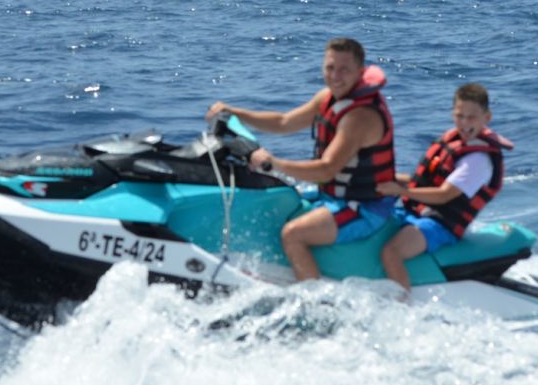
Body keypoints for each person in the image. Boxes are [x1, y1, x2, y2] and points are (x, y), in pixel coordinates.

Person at [205, 37, 396, 281]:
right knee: (277, 198)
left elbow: (326, 170)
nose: (335, 76)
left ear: (360, 72)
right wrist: (234, 113)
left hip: (364, 207)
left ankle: (312, 300)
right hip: (334, 195)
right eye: (330, 67)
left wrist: (274, 162)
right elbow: (284, 122)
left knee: (293, 234)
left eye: (344, 70)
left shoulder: (360, 117)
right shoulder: (328, 97)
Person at [377, 83, 513, 291]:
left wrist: (400, 191)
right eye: (460, 116)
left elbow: (444, 195)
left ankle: (401, 304)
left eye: (472, 117)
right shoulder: (454, 142)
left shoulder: (478, 159)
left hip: (441, 226)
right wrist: (382, 178)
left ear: (487, 118)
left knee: (391, 251)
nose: (465, 123)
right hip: (417, 212)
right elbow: (419, 183)